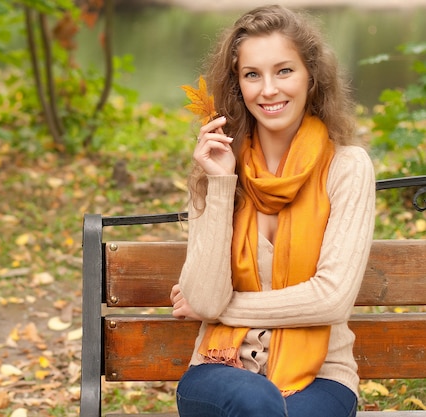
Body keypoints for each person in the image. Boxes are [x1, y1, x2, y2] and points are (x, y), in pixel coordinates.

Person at [169, 5, 376, 417]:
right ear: (238, 85)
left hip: (323, 377)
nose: (268, 89)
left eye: (284, 71)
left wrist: (226, 309)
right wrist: (222, 184)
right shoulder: (218, 168)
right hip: (218, 370)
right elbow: (205, 298)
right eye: (252, 74)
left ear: (311, 77)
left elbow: (331, 300)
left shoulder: (347, 168)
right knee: (255, 399)